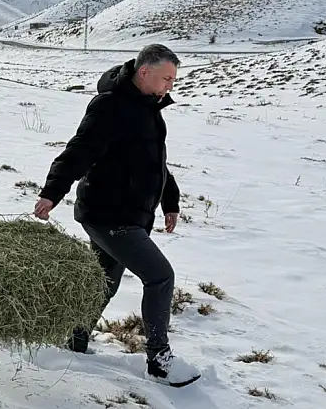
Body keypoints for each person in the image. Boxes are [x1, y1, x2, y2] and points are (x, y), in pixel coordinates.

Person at [33, 44, 201, 388]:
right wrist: (52, 192)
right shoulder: (110, 106)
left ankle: (74, 341)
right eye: (166, 78)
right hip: (108, 214)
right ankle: (159, 359)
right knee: (160, 277)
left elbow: (156, 162)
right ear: (144, 72)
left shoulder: (149, 108)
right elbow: (79, 149)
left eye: (173, 79)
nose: (171, 85)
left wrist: (170, 202)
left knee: (105, 281)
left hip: (130, 214)